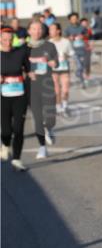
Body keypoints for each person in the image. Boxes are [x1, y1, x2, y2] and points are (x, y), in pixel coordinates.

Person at [1, 26, 31, 171]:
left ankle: (17, 159)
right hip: (3, 97)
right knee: (6, 131)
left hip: (20, 95)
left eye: (10, 39)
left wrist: (31, 75)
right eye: (4, 39)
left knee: (18, 129)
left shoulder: (20, 52)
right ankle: (5, 144)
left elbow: (29, 68)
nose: (8, 42)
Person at [27, 19, 58, 158]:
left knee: (50, 116)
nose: (37, 31)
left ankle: (50, 128)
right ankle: (42, 147)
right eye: (34, 29)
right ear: (29, 31)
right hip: (32, 86)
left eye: (39, 29)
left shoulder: (49, 46)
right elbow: (20, 66)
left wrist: (53, 62)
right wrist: (27, 73)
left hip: (47, 84)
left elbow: (56, 62)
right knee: (37, 117)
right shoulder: (24, 47)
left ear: (43, 31)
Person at [48, 23, 75, 115]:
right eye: (50, 29)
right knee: (56, 91)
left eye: (52, 29)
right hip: (54, 69)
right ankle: (58, 106)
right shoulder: (49, 43)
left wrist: (66, 55)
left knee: (65, 90)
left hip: (64, 68)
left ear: (58, 31)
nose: (50, 31)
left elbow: (72, 53)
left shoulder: (66, 42)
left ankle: (65, 106)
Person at [64, 13, 91, 87]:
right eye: (72, 19)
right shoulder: (68, 29)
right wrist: (70, 38)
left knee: (82, 66)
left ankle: (82, 82)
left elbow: (87, 34)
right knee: (79, 66)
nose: (74, 20)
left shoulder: (82, 27)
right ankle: (78, 75)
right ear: (70, 20)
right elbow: (64, 38)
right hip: (73, 50)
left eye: (75, 18)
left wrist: (82, 36)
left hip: (82, 48)